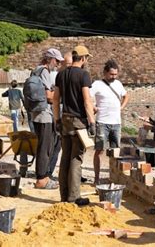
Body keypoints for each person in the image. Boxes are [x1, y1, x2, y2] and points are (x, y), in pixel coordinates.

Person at [53, 45, 95, 206]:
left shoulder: (61, 74)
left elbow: (56, 99)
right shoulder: (84, 75)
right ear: (83, 59)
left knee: (65, 157)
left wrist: (56, 120)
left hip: (65, 119)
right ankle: (74, 197)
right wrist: (91, 122)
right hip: (78, 122)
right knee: (76, 159)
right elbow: (86, 100)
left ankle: (64, 195)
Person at [90, 59, 129, 185]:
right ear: (105, 73)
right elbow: (88, 97)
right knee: (100, 150)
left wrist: (121, 107)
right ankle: (97, 178)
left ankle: (115, 179)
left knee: (115, 152)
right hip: (102, 122)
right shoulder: (97, 84)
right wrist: (93, 107)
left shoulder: (118, 84)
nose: (114, 77)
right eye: (111, 74)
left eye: (115, 74)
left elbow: (126, 96)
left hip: (116, 123)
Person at [31, 48, 64, 189]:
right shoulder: (43, 71)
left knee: (46, 146)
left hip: (39, 114)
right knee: (45, 148)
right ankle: (41, 179)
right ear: (49, 59)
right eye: (56, 61)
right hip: (44, 115)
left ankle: (43, 177)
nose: (57, 64)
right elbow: (49, 96)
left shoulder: (37, 70)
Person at [48, 52, 73, 180]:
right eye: (68, 64)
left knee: (62, 147)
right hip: (56, 113)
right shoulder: (55, 76)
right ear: (62, 64)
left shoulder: (69, 75)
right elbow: (53, 98)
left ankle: (54, 172)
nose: (70, 67)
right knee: (54, 144)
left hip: (66, 114)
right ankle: (48, 172)